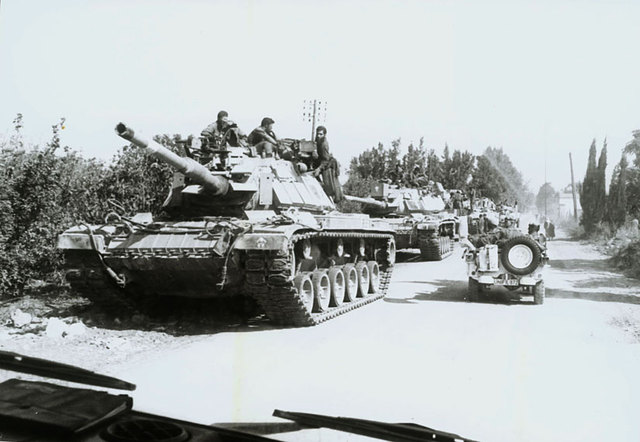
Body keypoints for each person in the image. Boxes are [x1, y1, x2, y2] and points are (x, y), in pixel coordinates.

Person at [311, 126, 343, 202]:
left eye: (320, 134)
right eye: (317, 134)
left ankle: (336, 198)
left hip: (328, 165)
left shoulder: (323, 144)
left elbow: (326, 159)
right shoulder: (318, 140)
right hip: (321, 161)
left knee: (330, 187)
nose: (318, 136)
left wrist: (319, 169)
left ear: (324, 135)